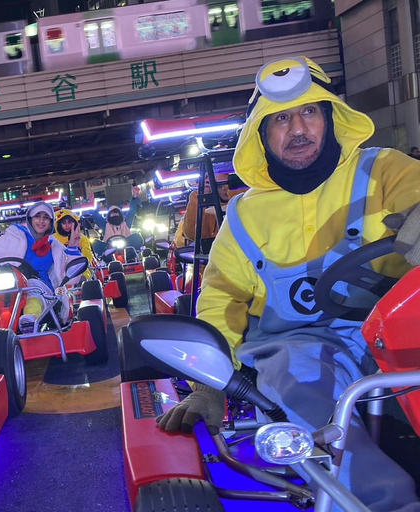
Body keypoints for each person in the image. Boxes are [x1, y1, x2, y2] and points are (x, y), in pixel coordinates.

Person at [157, 56, 420, 512]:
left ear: (330, 118)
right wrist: (207, 386)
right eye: (280, 118)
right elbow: (221, 300)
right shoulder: (242, 216)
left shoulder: (386, 170)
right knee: (297, 382)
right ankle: (380, 503)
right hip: (302, 346)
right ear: (261, 135)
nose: (297, 128)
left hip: (397, 334)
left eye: (309, 112)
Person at [0, 201, 82, 335]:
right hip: (11, 281)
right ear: (30, 219)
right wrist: (1, 270)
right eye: (37, 216)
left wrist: (73, 248)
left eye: (46, 218)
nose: (41, 221)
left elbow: (72, 277)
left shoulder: (55, 245)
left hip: (40, 286)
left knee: (34, 286)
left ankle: (29, 320)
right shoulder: (12, 236)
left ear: (51, 222)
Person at [90, 186, 143, 259]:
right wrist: (92, 203)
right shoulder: (105, 225)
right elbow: (96, 215)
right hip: (109, 248)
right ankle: (103, 259)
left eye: (116, 213)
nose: (114, 215)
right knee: (94, 243)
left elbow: (132, 211)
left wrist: (134, 196)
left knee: (137, 237)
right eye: (112, 213)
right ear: (109, 215)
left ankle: (133, 256)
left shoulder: (126, 223)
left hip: (126, 247)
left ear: (120, 214)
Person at [54, 208, 94, 280]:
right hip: (59, 272)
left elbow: (88, 258)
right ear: (59, 224)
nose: (67, 225)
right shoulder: (53, 239)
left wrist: (79, 246)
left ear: (74, 223)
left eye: (69, 222)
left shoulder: (82, 238)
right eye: (64, 223)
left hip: (80, 270)